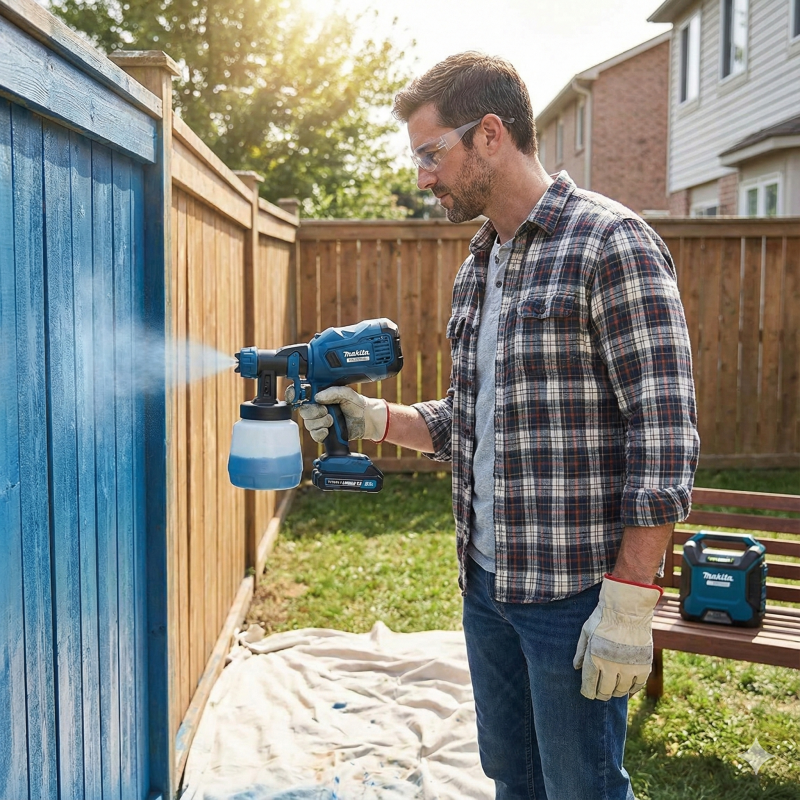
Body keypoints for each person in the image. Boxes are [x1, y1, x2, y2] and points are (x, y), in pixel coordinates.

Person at [294, 52, 700, 800]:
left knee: (583, 788)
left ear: (488, 134)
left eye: (430, 153)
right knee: (512, 780)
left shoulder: (611, 244)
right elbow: (467, 421)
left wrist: (630, 600)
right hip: (486, 587)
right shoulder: (481, 263)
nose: (422, 175)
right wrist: (374, 416)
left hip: (573, 597)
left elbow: (665, 436)